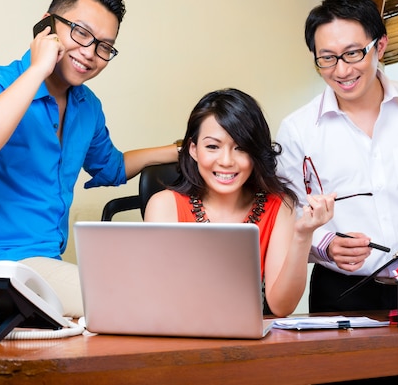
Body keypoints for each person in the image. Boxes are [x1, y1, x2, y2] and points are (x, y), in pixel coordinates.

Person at [0, 0, 177, 317]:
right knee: (134, 300)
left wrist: (182, 149)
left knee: (144, 294)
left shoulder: (87, 106)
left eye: (104, 46)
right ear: (48, 26)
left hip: (42, 267)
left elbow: (111, 166)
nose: (90, 53)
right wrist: (38, 69)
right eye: (81, 33)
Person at [275, 0, 398, 385]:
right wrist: (326, 243)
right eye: (326, 58)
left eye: (353, 53)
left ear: (379, 45)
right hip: (340, 292)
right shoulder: (297, 129)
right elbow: (289, 209)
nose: (341, 69)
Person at [144, 88, 336, 317]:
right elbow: (158, 299)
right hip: (177, 336)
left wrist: (303, 235)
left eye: (241, 148)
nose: (226, 161)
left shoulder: (279, 206)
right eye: (212, 147)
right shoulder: (164, 205)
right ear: (193, 150)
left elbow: (281, 307)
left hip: (248, 341)